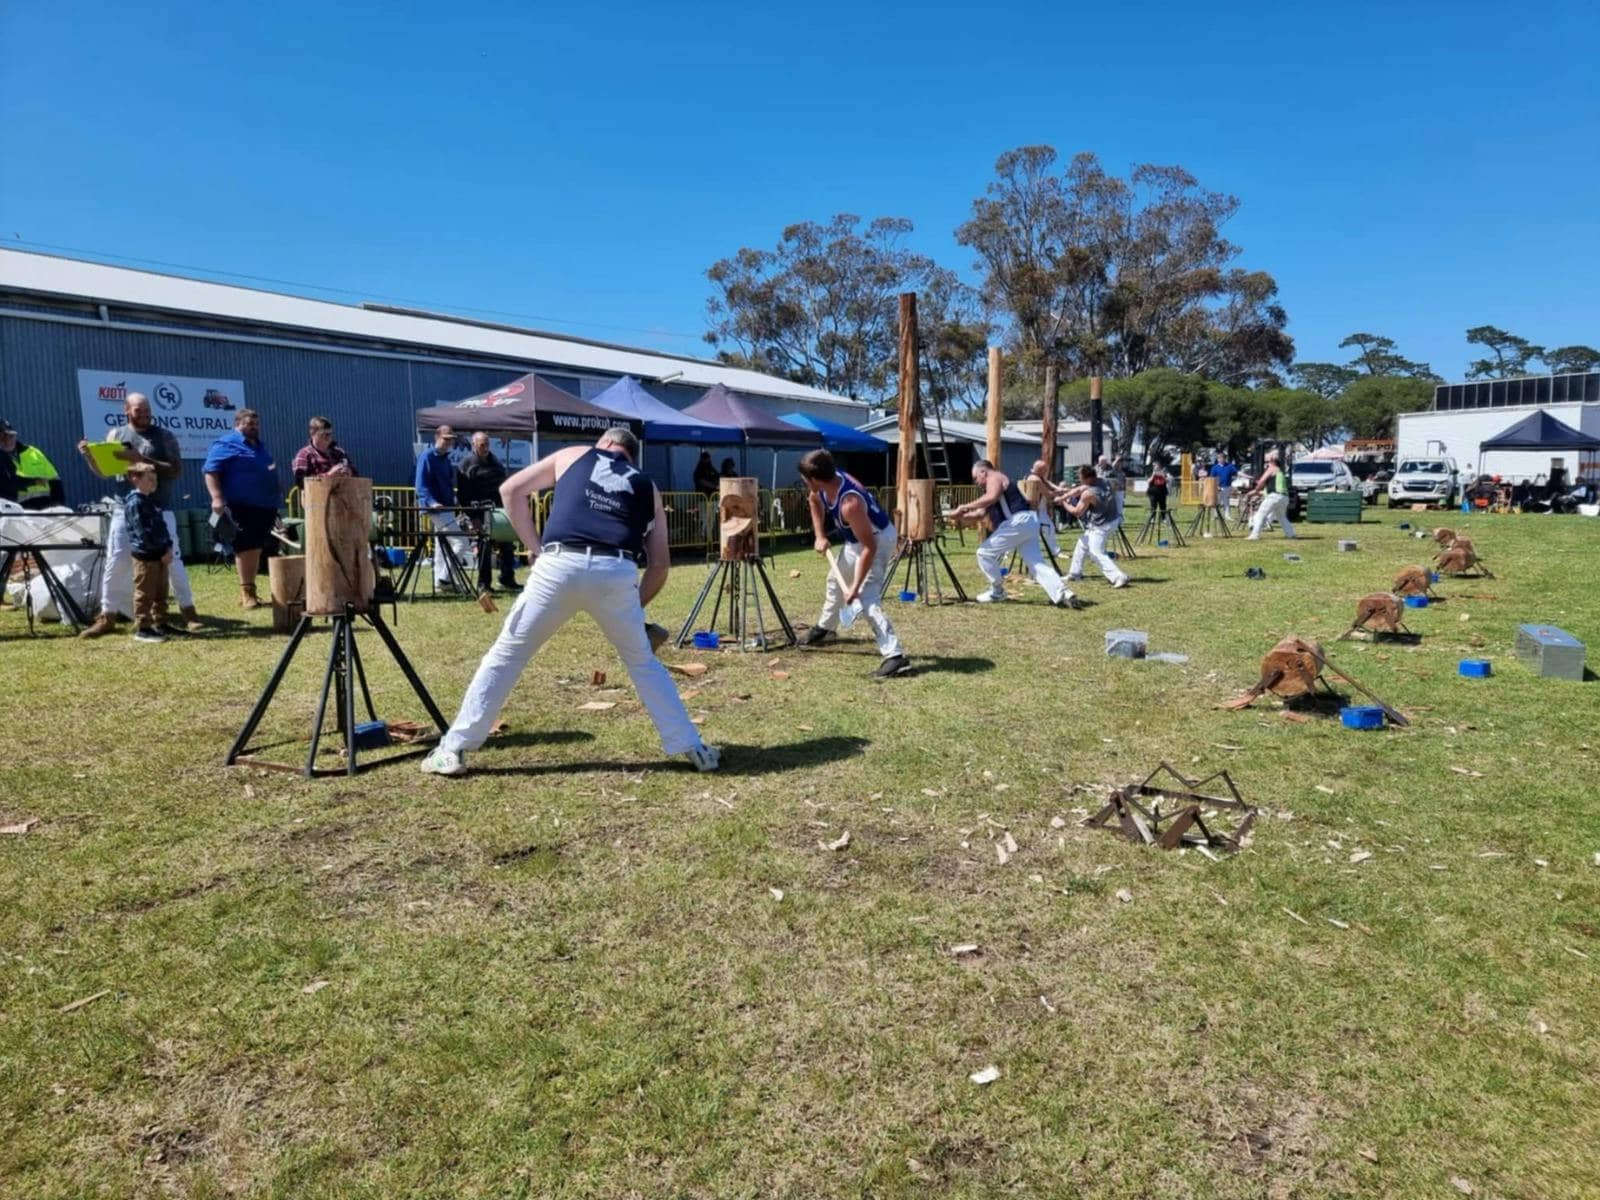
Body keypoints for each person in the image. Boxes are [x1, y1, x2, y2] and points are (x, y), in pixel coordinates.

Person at [421, 427, 720, 777]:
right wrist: (633, 607)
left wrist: (536, 548)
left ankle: (454, 749)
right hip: (616, 569)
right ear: (631, 455)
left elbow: (510, 490)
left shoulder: (574, 454)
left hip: (559, 563)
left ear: (605, 443)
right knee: (643, 663)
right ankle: (693, 747)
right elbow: (660, 564)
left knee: (507, 655)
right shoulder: (647, 486)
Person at [76, 392, 203, 636]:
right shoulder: (115, 435)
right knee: (116, 561)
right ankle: (107, 616)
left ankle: (189, 613)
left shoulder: (164, 436)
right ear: (126, 410)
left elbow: (176, 470)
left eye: (147, 411)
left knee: (172, 560)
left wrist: (140, 458)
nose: (144, 415)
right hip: (124, 508)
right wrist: (90, 456)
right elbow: (105, 472)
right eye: (138, 411)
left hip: (159, 508)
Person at [794, 449, 910, 678]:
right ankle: (826, 628)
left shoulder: (850, 503)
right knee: (835, 581)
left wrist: (855, 588)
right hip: (857, 540)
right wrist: (819, 535)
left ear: (814, 479)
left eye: (805, 479)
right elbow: (814, 500)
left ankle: (895, 656)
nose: (804, 482)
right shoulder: (826, 482)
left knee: (867, 598)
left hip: (878, 540)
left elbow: (869, 548)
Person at [945, 459, 1078, 608]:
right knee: (1036, 564)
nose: (976, 483)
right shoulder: (992, 486)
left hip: (1018, 522)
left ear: (983, 472)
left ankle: (997, 591)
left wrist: (963, 506)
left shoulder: (994, 477)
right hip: (1027, 522)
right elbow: (980, 513)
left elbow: (991, 497)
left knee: (984, 553)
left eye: (976, 478)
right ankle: (1063, 593)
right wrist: (959, 516)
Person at [203, 408, 282, 609]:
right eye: (249, 424)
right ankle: (247, 593)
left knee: (256, 547)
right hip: (242, 505)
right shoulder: (227, 443)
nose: (254, 427)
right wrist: (217, 498)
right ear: (237, 424)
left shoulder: (260, 446)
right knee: (246, 547)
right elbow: (210, 471)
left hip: (265, 506)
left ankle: (250, 589)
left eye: (256, 424)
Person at [455, 432, 519, 592]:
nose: (485, 448)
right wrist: (473, 517)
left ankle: (507, 579)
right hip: (477, 512)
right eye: (482, 445)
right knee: (484, 547)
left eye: (487, 444)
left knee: (507, 544)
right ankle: (484, 584)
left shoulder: (495, 462)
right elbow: (462, 495)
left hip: (498, 511)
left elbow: (503, 485)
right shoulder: (466, 464)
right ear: (474, 445)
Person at [414, 424, 471, 592]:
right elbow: (420, 484)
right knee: (462, 542)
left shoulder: (445, 459)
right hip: (436, 508)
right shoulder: (427, 456)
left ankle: (439, 584)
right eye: (446, 439)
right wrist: (431, 502)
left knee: (441, 546)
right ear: (437, 437)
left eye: (451, 440)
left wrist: (454, 500)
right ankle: (445, 578)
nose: (449, 442)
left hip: (446, 507)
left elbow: (447, 483)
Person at [123, 462, 173, 643]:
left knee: (161, 592)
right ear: (135, 479)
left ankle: (161, 622)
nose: (154, 483)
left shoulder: (149, 501)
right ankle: (143, 628)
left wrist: (168, 547)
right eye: (149, 479)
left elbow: (161, 527)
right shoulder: (135, 503)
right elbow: (143, 532)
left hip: (160, 554)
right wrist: (161, 551)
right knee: (145, 593)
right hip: (146, 556)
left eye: (155, 479)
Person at [1057, 465, 1130, 588]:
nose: (1080, 480)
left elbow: (1077, 512)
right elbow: (1079, 489)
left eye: (1081, 478)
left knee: (1096, 552)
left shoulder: (1089, 494)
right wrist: (1064, 496)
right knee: (1082, 544)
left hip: (1101, 525)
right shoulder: (1103, 481)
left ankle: (1119, 576)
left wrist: (1063, 502)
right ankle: (1075, 573)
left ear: (1088, 478)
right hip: (1112, 519)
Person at [0, 418, 65, 509]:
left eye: (10, 436)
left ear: (15, 436)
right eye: (2, 437)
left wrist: (58, 504)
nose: (7, 441)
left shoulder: (33, 452)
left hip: (47, 507)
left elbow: (54, 479)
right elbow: (8, 484)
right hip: (18, 510)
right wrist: (33, 482)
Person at [1245, 449, 1296, 540]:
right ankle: (1291, 534)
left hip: (1274, 497)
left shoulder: (1271, 468)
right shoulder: (1279, 471)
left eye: (1268, 461)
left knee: (1260, 515)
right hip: (1284, 497)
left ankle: (1254, 535)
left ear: (1272, 461)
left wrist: (1256, 489)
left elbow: (1261, 481)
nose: (1267, 463)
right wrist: (1255, 490)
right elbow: (1268, 485)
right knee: (1282, 517)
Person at [291, 416, 354, 489]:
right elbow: (300, 483)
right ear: (313, 434)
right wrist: (329, 475)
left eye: (330, 434)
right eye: (324, 434)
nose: (328, 437)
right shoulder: (304, 454)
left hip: (342, 494)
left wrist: (349, 473)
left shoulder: (340, 453)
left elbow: (357, 476)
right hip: (316, 495)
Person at [1027, 459, 1062, 558]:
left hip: (1040, 509)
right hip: (1035, 510)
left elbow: (1049, 484)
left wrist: (1061, 489)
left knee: (1048, 528)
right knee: (1049, 527)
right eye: (1044, 469)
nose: (1046, 471)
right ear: (1040, 470)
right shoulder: (1035, 479)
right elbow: (1048, 494)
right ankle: (1055, 552)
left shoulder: (1040, 477)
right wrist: (1061, 494)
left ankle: (1055, 551)